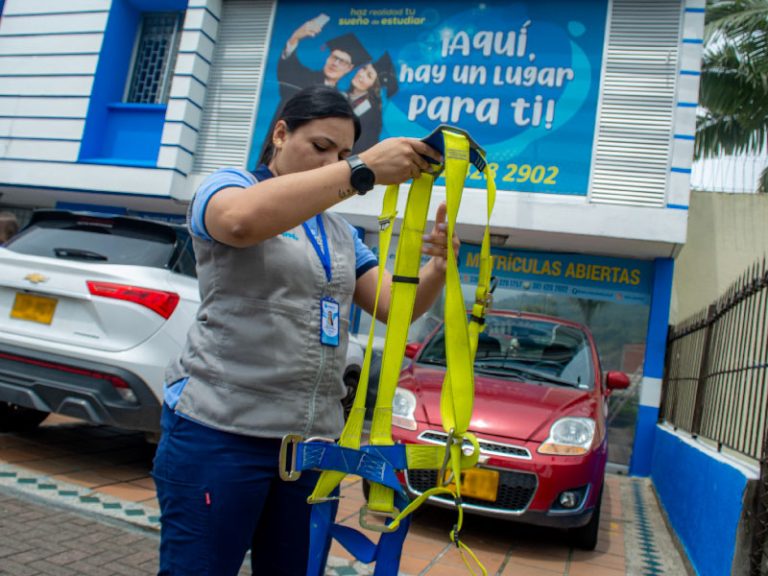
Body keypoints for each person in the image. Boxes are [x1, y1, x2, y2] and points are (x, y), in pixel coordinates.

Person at [152, 84, 456, 576]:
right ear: (279, 134)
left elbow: (394, 307)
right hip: (220, 435)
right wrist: (362, 169)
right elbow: (238, 222)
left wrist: (439, 267)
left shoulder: (338, 232)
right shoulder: (228, 185)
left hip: (308, 452)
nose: (330, 162)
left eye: (342, 153)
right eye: (319, 147)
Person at [348, 52, 398, 154]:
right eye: (364, 68)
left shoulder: (372, 114)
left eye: (369, 75)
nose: (361, 74)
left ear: (374, 86)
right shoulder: (340, 95)